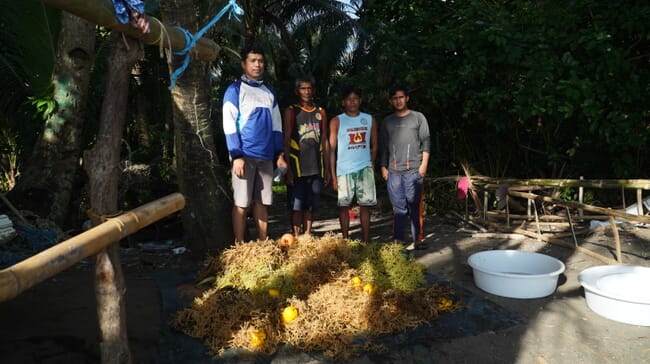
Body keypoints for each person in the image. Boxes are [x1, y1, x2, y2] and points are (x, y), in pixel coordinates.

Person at [223, 45, 286, 243]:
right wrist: (236, 155)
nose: (257, 65)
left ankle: (263, 243)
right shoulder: (234, 90)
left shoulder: (269, 93)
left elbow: (277, 126)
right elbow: (229, 123)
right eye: (253, 61)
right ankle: (240, 246)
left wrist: (280, 154)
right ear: (244, 64)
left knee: (262, 203)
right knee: (241, 203)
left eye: (260, 61)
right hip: (244, 157)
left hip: (266, 158)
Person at [379, 84, 431, 250]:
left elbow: (426, 142)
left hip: (414, 170)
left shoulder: (418, 118)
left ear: (407, 98)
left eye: (401, 97)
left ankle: (418, 240)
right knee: (398, 208)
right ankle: (399, 240)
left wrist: (423, 165)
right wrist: (383, 167)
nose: (398, 101)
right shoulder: (387, 121)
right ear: (390, 101)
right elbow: (383, 146)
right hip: (393, 172)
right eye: (395, 98)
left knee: (414, 206)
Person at [329, 85, 378, 242]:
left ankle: (365, 240)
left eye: (355, 99)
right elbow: (331, 150)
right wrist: (333, 176)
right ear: (343, 102)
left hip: (365, 169)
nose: (352, 102)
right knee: (343, 206)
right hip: (344, 170)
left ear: (360, 100)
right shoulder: (337, 121)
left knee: (365, 206)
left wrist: (371, 163)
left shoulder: (369, 119)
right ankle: (345, 240)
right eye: (349, 99)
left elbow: (375, 145)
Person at [283, 76, 329, 236]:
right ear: (297, 91)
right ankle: (295, 237)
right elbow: (287, 138)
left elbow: (324, 139)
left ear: (313, 90)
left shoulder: (320, 112)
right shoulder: (291, 111)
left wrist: (328, 168)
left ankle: (307, 236)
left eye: (309, 88)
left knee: (311, 205)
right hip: (297, 166)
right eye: (303, 88)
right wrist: (287, 168)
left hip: (316, 166)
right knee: (296, 205)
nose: (307, 91)